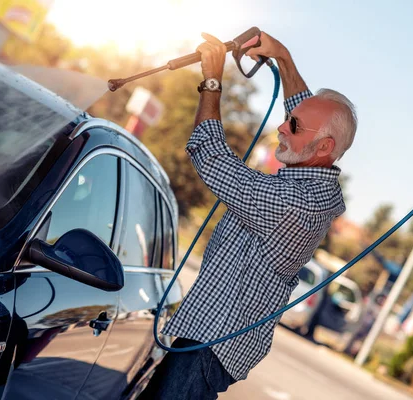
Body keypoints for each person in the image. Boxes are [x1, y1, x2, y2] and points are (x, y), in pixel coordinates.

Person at [138, 31, 358, 400]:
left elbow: (210, 155)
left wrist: (211, 81)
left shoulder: (297, 205)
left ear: (325, 147)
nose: (281, 128)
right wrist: (282, 56)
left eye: (293, 127)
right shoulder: (315, 175)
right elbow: (307, 111)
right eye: (287, 119)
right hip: (209, 339)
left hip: (211, 346)